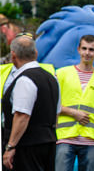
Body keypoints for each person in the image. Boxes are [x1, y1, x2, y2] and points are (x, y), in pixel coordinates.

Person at [55, 35, 94, 171]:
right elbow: (52, 104)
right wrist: (73, 112)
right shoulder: (61, 74)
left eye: (91, 49)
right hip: (65, 136)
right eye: (84, 48)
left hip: (91, 138)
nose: (87, 53)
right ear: (78, 49)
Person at [1, 35, 60, 170]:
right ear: (36, 53)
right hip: (49, 141)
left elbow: (22, 116)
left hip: (27, 145)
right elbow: (56, 113)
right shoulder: (52, 78)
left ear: (13, 55)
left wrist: (11, 146)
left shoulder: (25, 80)